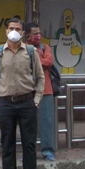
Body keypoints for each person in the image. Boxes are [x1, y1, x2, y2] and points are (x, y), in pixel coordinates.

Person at [0, 17, 46, 169]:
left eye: (17, 28)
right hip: (6, 104)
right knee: (7, 146)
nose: (14, 31)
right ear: (6, 31)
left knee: (29, 145)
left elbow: (40, 78)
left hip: (27, 102)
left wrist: (36, 100)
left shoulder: (30, 51)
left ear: (23, 33)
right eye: (11, 28)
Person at [26, 22, 57, 161]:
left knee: (47, 122)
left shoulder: (45, 47)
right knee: (27, 124)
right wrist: (40, 61)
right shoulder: (23, 48)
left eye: (39, 33)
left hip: (46, 90)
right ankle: (29, 152)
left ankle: (48, 150)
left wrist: (36, 60)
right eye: (35, 34)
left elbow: (49, 61)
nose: (38, 36)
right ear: (27, 36)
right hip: (27, 91)